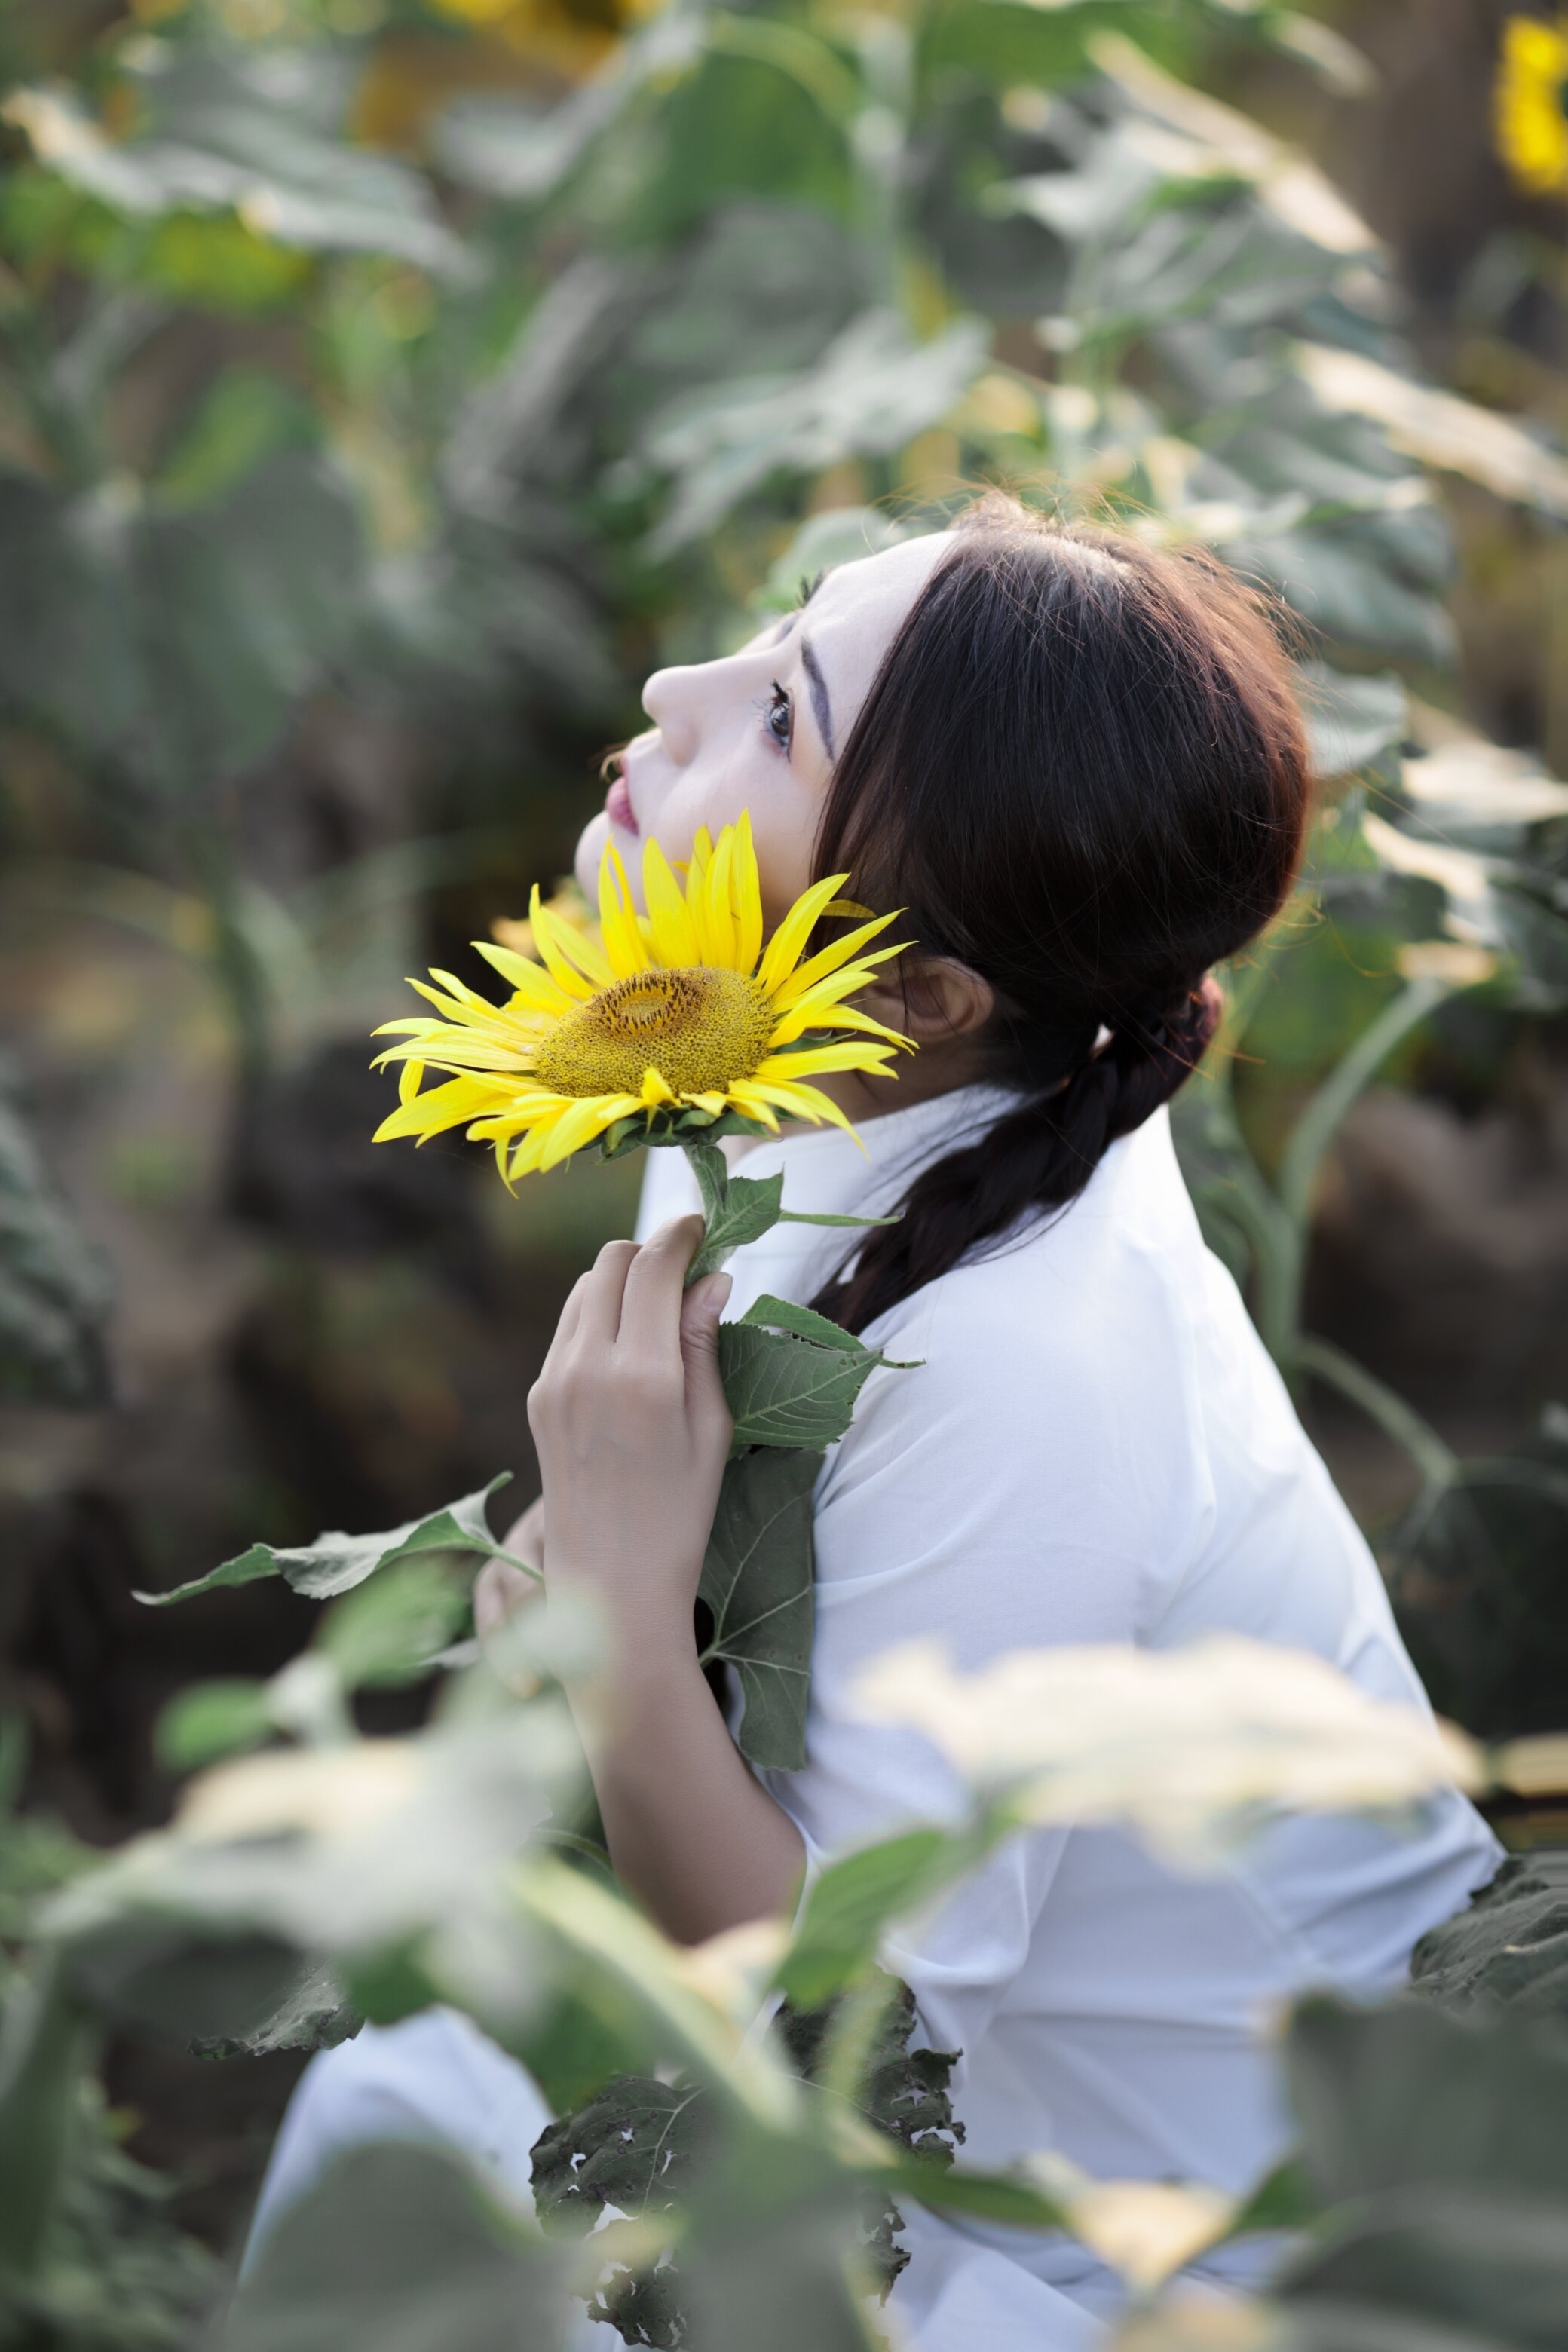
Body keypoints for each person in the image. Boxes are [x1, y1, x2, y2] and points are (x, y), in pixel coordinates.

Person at [247, 498, 1499, 2344]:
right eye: (767, 637)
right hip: (1006, 2142)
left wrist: (615, 1666)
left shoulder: (1034, 1359)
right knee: (408, 2103)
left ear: (917, 994)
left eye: (777, 718)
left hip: (1237, 2264)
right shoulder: (779, 1101)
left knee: (523, 2215)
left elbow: (829, 2042)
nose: (677, 685)